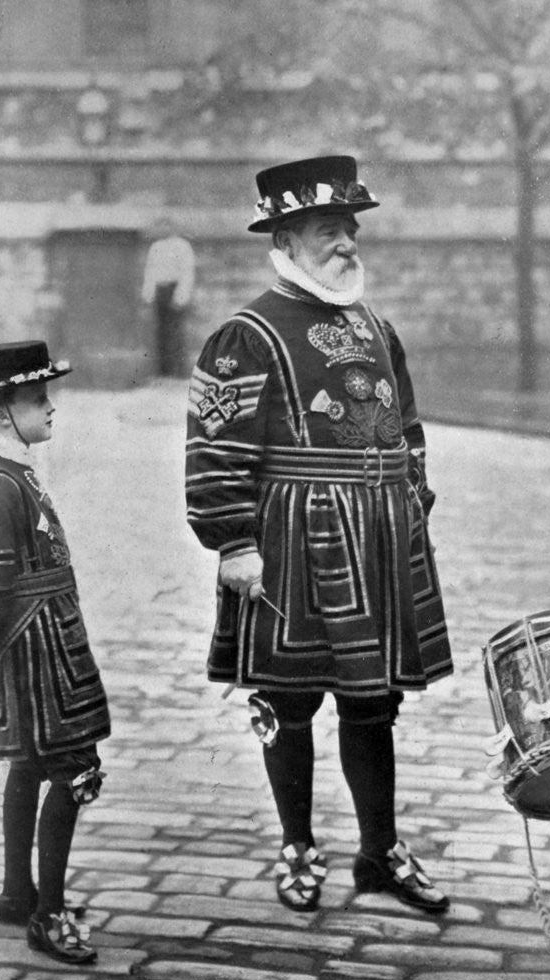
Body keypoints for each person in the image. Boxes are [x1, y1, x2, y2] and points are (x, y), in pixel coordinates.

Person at [185, 155, 453, 913]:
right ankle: (299, 844)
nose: (349, 246)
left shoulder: (375, 327)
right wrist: (233, 540)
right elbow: (213, 450)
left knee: (374, 702)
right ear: (290, 237)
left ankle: (380, 852)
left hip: (376, 541)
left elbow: (408, 427)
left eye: (352, 231)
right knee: (289, 700)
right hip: (292, 541)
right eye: (332, 232)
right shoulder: (245, 336)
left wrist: (411, 503)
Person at [0, 341, 111, 965]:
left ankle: (19, 892)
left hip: (47, 649)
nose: (51, 407)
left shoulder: (14, 472)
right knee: (73, 771)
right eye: (37, 398)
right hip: (31, 657)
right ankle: (48, 913)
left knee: (29, 767)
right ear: (0, 414)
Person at [141, 217, 196, 376]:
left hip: (175, 289)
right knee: (161, 332)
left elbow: (187, 273)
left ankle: (178, 372)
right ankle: (163, 372)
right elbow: (150, 272)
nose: (163, 230)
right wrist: (149, 294)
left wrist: (181, 296)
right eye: (161, 227)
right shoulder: (156, 247)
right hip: (160, 291)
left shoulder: (182, 246)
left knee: (175, 332)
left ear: (173, 228)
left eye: (167, 226)